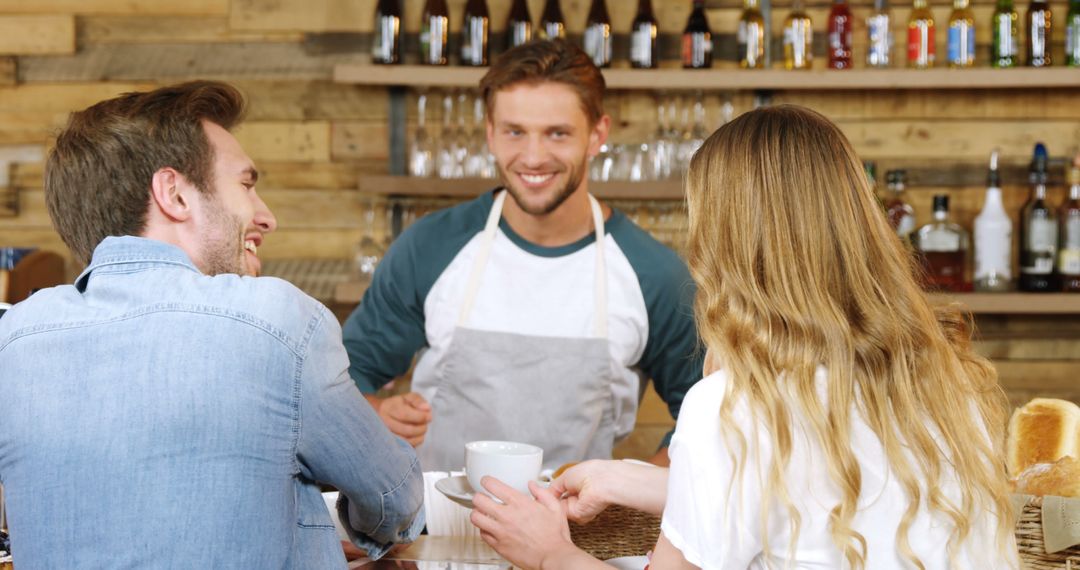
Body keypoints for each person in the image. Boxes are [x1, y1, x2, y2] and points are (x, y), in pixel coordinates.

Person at [469, 105, 1018, 569]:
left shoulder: (731, 407)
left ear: (726, 245)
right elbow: (817, 499)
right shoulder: (945, 385)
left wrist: (549, 554)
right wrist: (633, 479)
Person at [0, 81, 424, 568]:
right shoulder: (276, 324)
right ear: (174, 194)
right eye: (246, 184)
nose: (266, 217)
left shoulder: (14, 339)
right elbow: (395, 500)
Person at [342, 39, 702, 470]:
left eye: (558, 133)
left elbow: (706, 423)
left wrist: (627, 495)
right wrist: (379, 415)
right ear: (491, 134)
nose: (533, 157)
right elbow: (342, 381)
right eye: (515, 132)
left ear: (597, 135)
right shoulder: (431, 247)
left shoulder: (654, 274)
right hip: (430, 526)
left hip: (575, 534)